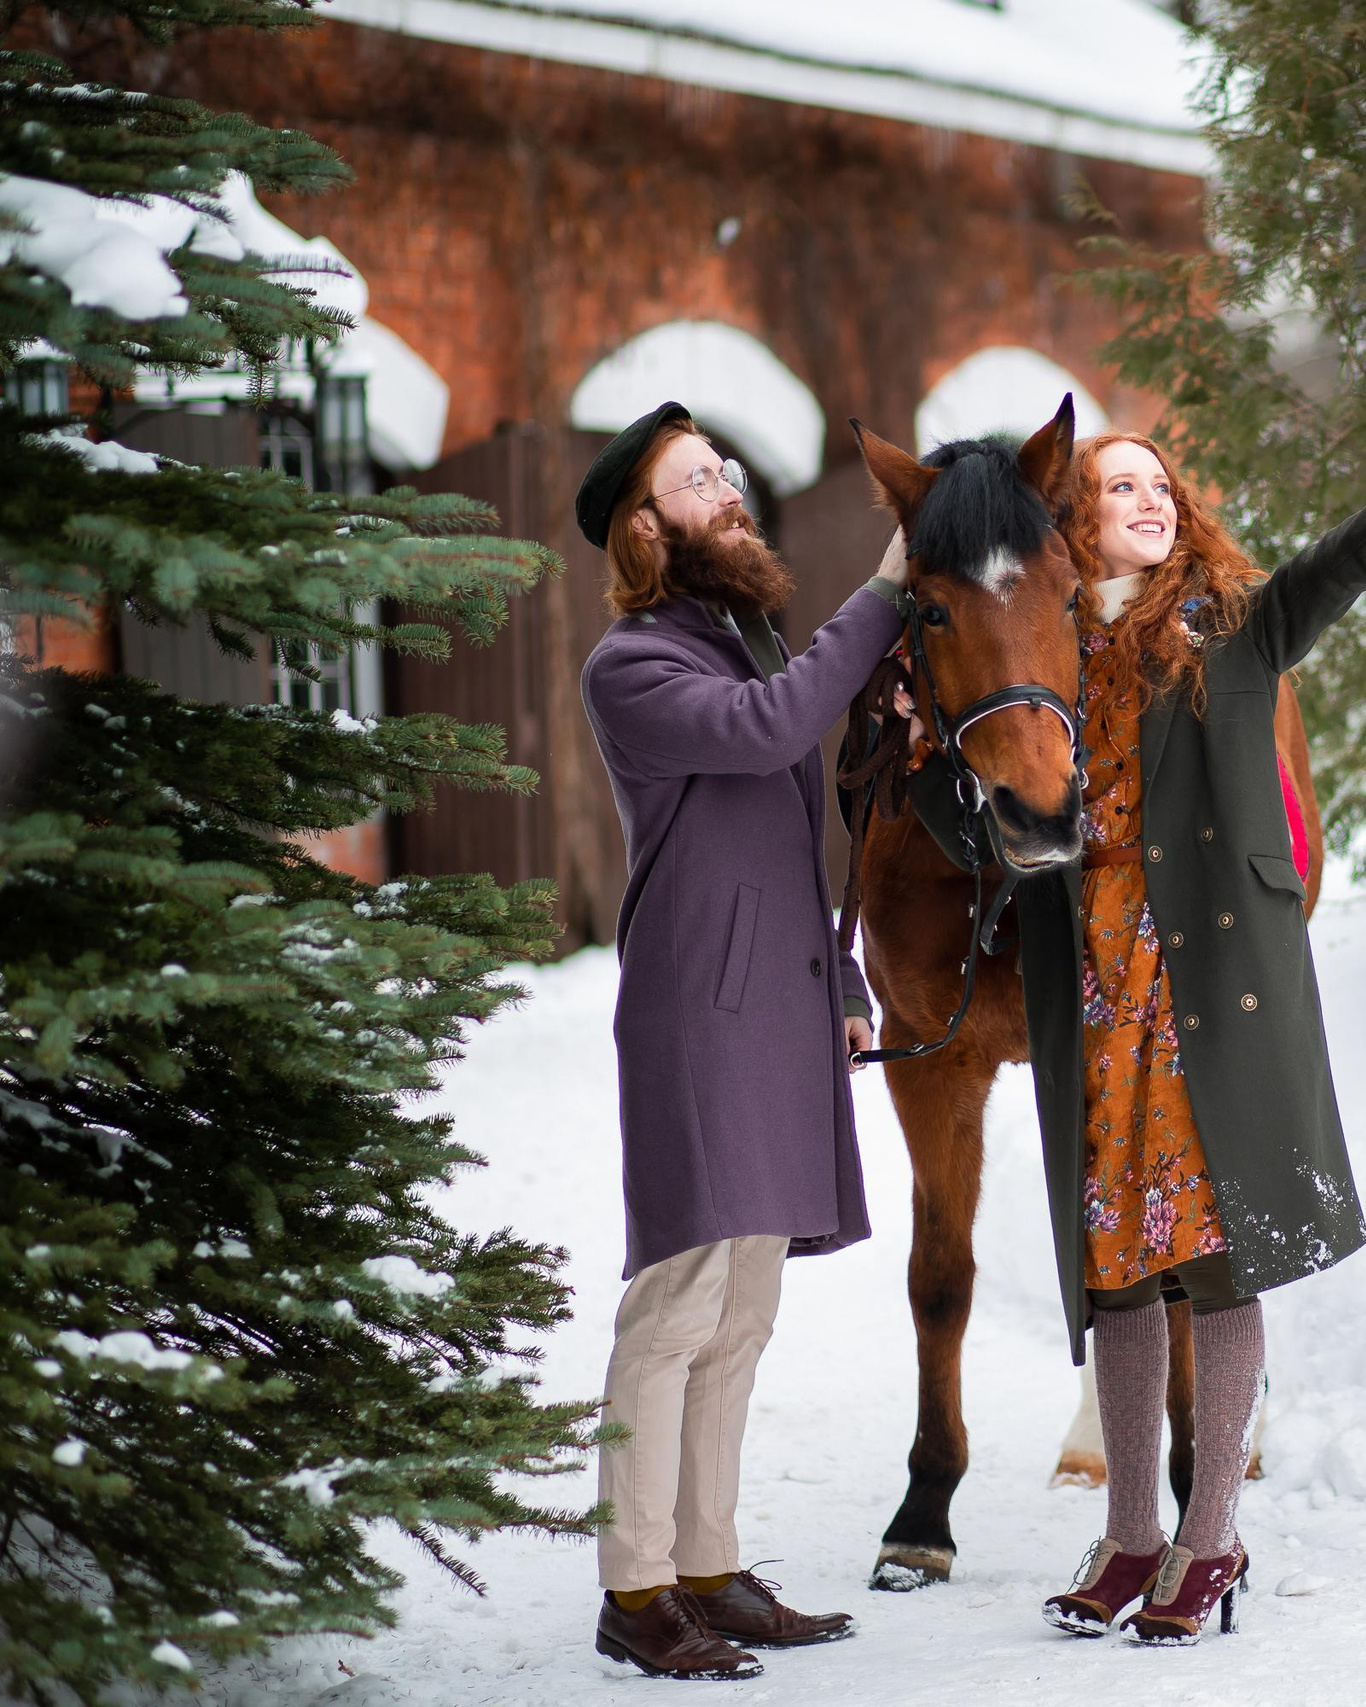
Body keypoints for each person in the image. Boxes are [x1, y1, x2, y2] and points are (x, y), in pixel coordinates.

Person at [1029, 381, 1366, 1645]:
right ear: (1075, 525)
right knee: (1117, 1267)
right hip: (1093, 987)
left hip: (1204, 985)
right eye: (1111, 486)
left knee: (1213, 1248)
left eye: (1154, 483)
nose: (1143, 499)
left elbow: (1331, 574)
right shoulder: (1045, 649)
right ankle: (1131, 1532)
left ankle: (1210, 1540)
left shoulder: (1229, 624)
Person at [574, 402, 907, 1681]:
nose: (730, 488)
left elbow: (790, 838)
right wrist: (878, 596)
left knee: (744, 1309)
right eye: (697, 479)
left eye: (726, 468)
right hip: (692, 1013)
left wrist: (846, 980)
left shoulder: (736, 638)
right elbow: (772, 730)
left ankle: (704, 1566)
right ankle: (632, 1586)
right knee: (676, 1305)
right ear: (645, 526)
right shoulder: (636, 664)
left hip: (773, 1003)